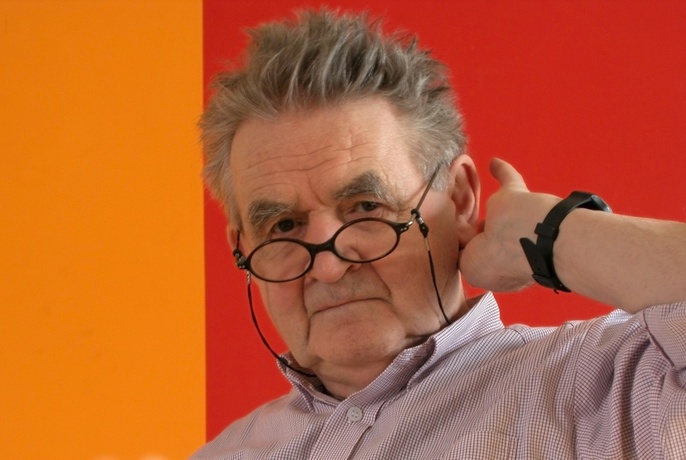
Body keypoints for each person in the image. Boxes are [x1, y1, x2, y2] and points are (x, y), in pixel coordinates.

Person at [192, 9, 686, 459]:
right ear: (243, 247)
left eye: (366, 206)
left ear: (460, 199)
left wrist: (550, 232)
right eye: (283, 226)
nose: (328, 265)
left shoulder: (603, 386)